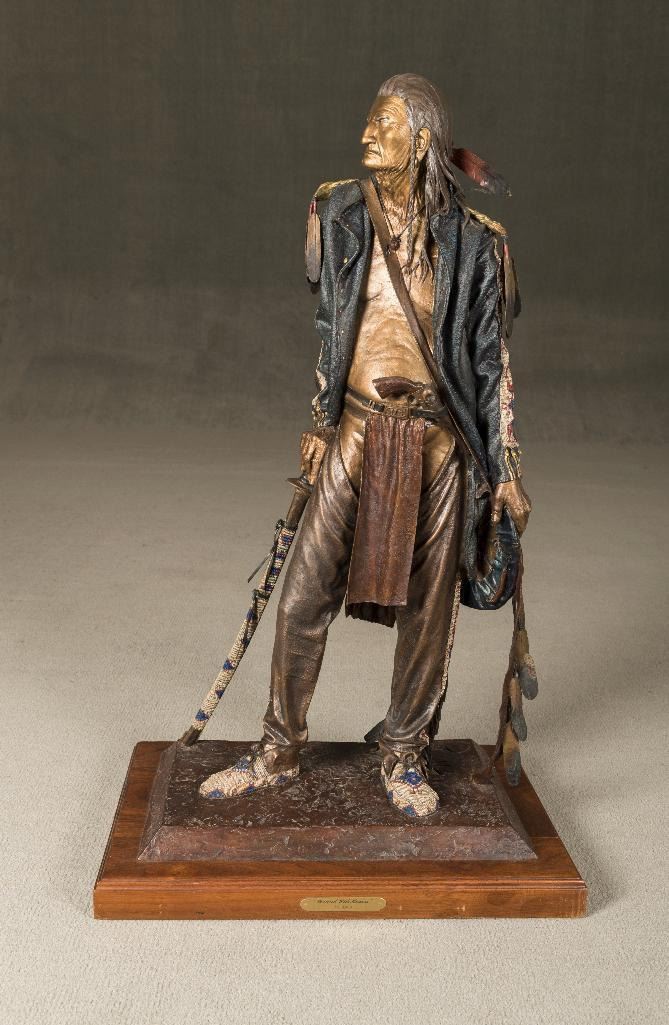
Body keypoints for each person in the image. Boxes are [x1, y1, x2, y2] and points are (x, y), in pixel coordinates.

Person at [200, 73, 531, 817]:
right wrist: (322, 422)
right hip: (354, 428)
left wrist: (506, 468)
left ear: (421, 139)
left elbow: (491, 366)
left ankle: (405, 751)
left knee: (429, 612)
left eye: (383, 123)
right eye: (369, 122)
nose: (365, 135)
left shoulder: (476, 244)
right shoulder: (340, 212)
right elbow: (330, 331)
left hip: (438, 443)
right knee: (302, 595)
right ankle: (277, 747)